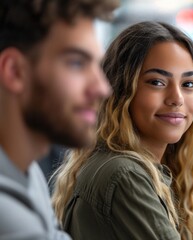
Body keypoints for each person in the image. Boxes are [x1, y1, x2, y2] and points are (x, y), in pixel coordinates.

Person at [52, 21, 193, 240]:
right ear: (120, 91)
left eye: (188, 84)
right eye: (157, 82)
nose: (177, 98)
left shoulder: (170, 166)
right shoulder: (125, 175)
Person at [0, 0, 119, 239]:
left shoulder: (27, 170)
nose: (102, 88)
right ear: (14, 71)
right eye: (76, 63)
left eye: (96, 65)